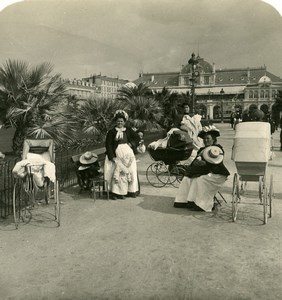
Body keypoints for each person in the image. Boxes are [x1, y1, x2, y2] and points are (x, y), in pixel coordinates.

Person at [174, 125, 230, 211]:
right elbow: (194, 163)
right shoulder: (202, 150)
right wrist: (195, 164)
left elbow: (216, 164)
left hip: (216, 174)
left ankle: (203, 204)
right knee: (187, 179)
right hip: (205, 171)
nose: (206, 140)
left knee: (200, 180)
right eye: (204, 139)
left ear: (213, 139)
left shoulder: (217, 149)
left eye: (208, 138)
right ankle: (185, 201)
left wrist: (205, 164)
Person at [104, 110, 140, 200]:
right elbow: (108, 145)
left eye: (121, 121)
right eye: (118, 121)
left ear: (124, 122)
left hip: (128, 155)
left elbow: (137, 137)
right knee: (115, 173)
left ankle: (130, 191)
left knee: (129, 171)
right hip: (116, 154)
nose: (120, 123)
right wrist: (112, 157)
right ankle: (115, 192)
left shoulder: (127, 130)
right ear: (115, 122)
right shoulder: (111, 132)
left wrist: (132, 144)